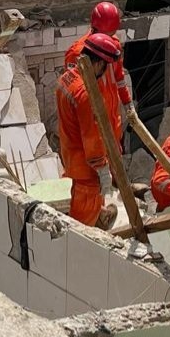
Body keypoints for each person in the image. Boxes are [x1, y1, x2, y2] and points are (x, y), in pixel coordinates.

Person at [57, 33, 125, 229]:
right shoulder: (86, 94)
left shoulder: (67, 78)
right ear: (97, 64)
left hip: (71, 153)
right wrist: (103, 169)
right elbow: (92, 138)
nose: (105, 73)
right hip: (85, 167)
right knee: (83, 220)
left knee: (87, 197)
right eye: (105, 67)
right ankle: (90, 225)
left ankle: (100, 214)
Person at [65, 2, 133, 116]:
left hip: (113, 120)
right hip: (91, 122)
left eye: (112, 35)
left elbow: (119, 79)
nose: (110, 40)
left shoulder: (114, 45)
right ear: (95, 30)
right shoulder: (77, 53)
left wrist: (128, 103)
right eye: (107, 35)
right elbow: (73, 93)